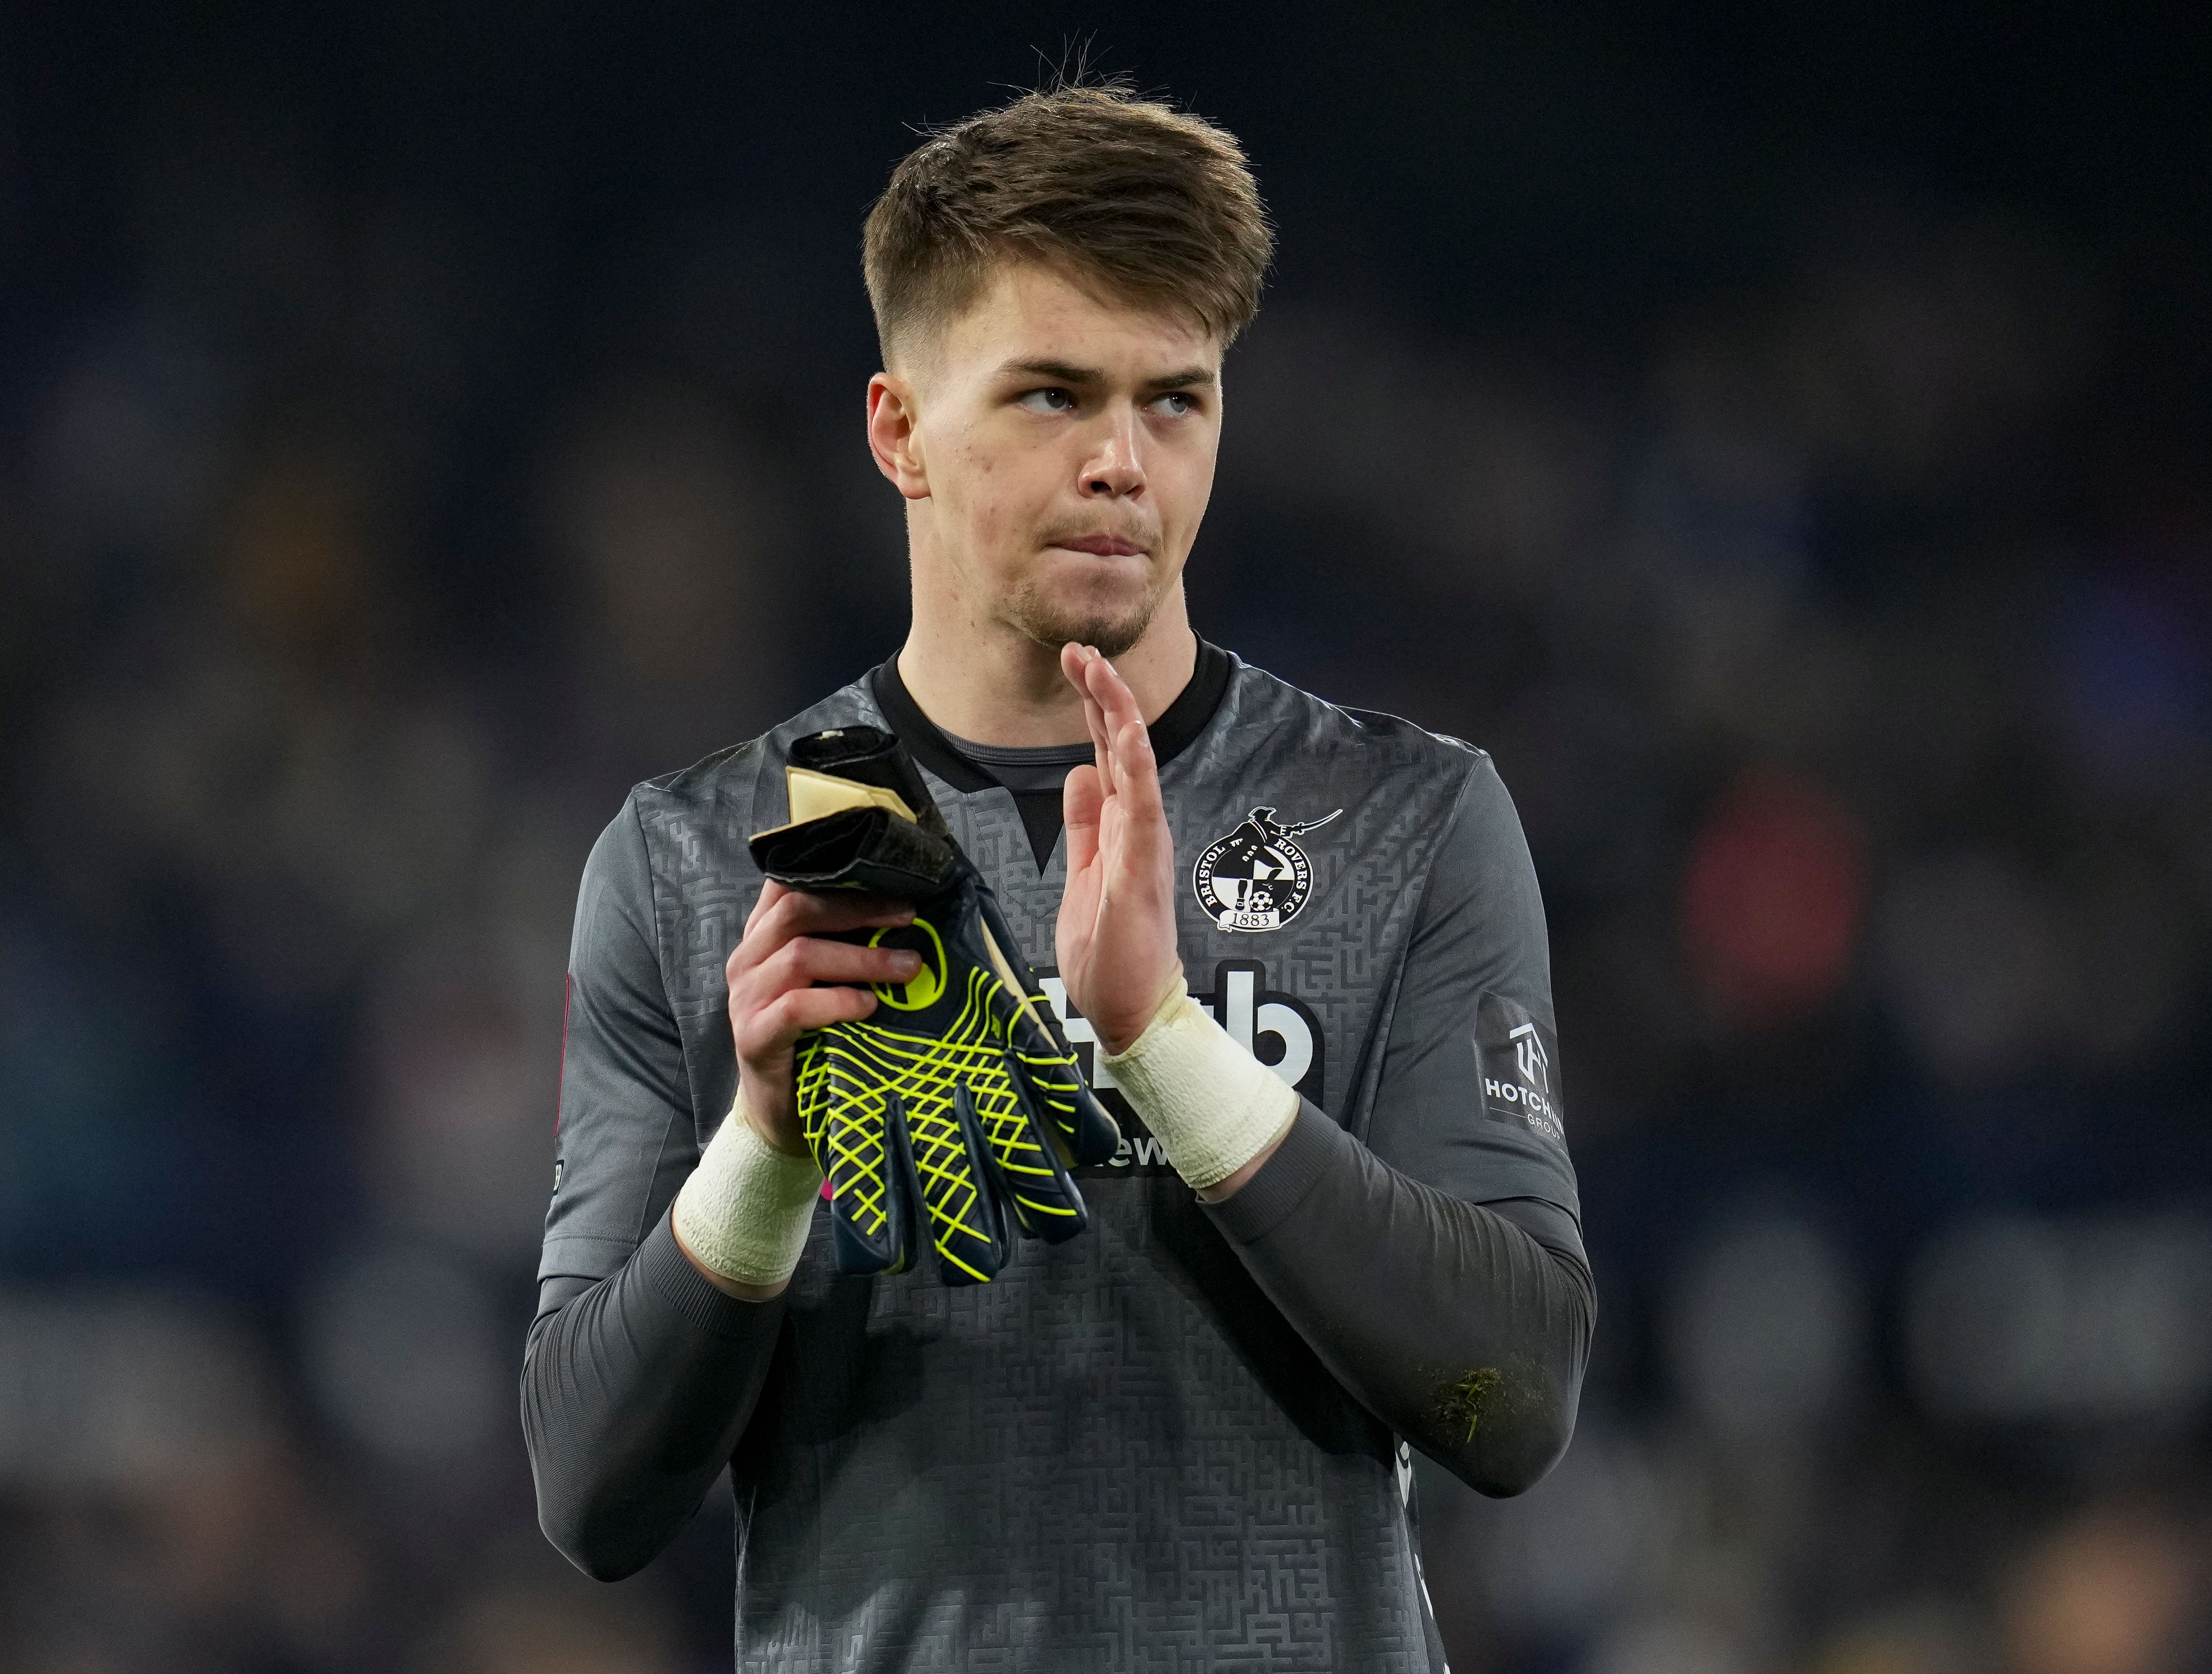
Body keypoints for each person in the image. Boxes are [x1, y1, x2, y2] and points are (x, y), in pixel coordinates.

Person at [523, 80, 1594, 1673]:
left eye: (1176, 400)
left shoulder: (1399, 818)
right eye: (1049, 397)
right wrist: (758, 1148)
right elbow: (591, 1495)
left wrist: (1164, 1044)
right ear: (898, 432)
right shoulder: (706, 857)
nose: (1121, 461)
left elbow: (1510, 1401)